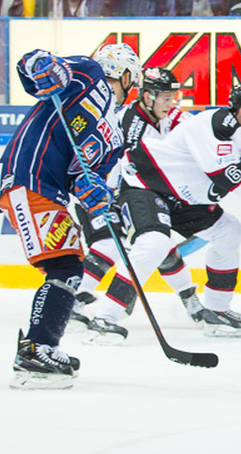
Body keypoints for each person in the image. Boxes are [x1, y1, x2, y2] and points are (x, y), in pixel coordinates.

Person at [89, 82, 241, 339]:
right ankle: (105, 316)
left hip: (182, 198)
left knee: (229, 232)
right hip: (145, 183)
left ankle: (217, 311)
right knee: (154, 244)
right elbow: (224, 173)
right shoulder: (216, 123)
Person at [2, 44, 141, 388]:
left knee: (67, 265)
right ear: (125, 75)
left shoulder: (116, 136)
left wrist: (96, 194)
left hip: (50, 190)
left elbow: (86, 178)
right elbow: (34, 66)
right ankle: (37, 349)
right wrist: (41, 66)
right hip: (30, 176)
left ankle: (41, 345)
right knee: (65, 265)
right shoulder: (90, 74)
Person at [68, 67, 213, 342]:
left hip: (125, 191)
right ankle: (71, 301)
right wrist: (106, 197)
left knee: (161, 244)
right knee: (109, 245)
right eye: (166, 98)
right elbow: (120, 165)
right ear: (147, 96)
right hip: (95, 191)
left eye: (174, 98)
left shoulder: (164, 117)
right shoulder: (129, 122)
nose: (172, 104)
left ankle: (191, 302)